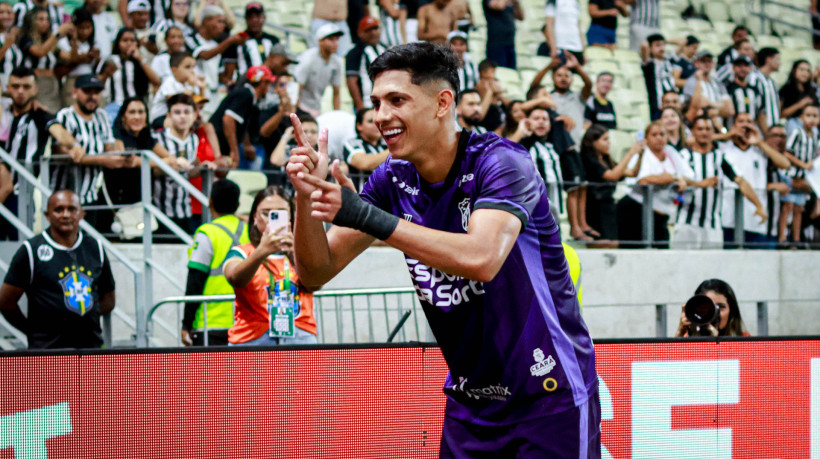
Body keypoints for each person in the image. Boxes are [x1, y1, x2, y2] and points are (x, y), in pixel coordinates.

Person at [287, 42, 599, 456]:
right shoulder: (391, 179)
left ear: (442, 102)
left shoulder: (502, 162)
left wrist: (365, 216)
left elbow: (481, 259)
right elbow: (314, 273)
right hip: (470, 404)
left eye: (397, 100)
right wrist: (305, 199)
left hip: (547, 395)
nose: (381, 116)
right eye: (377, 102)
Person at [0, 190, 115, 349]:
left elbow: (109, 299)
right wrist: (32, 330)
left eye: (71, 209)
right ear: (47, 215)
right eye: (58, 210)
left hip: (90, 349)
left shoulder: (96, 248)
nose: (65, 215)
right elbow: (5, 302)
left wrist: (80, 319)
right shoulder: (31, 250)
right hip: (47, 350)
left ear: (81, 214)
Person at [224, 186, 318, 346]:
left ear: (291, 217)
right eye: (266, 213)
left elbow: (315, 285)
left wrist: (294, 254)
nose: (271, 220)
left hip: (299, 336)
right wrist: (262, 251)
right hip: (251, 339)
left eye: (281, 213)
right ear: (254, 217)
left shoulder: (302, 252)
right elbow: (235, 278)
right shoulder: (241, 252)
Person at [2, 67, 85, 241]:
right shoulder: (5, 111)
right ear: (8, 88)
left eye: (26, 86)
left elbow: (59, 132)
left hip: (20, 192)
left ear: (35, 89)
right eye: (15, 86)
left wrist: (73, 145)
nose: (20, 92)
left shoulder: (40, 115)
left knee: (19, 245)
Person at [672, 116, 765, 250]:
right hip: (686, 222)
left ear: (712, 132)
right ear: (693, 131)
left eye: (708, 129)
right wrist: (700, 184)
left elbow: (741, 181)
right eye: (700, 129)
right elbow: (675, 180)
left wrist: (758, 205)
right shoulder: (684, 156)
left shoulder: (719, 157)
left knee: (713, 268)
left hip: (713, 225)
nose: (704, 133)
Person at [182, 179, 250, 346]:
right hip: (245, 322)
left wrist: (186, 324)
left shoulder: (207, 233)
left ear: (209, 201)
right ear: (238, 204)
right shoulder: (250, 231)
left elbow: (195, 281)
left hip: (210, 323)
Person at [52, 74, 120, 221]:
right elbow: (60, 151)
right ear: (75, 92)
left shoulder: (102, 116)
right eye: (87, 92)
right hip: (65, 193)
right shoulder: (65, 116)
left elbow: (110, 149)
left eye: (96, 92)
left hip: (91, 193)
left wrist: (116, 155)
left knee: (88, 238)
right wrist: (102, 159)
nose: (92, 96)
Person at [719, 112, 791, 249]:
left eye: (749, 122)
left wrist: (759, 142)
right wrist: (727, 135)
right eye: (741, 121)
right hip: (728, 219)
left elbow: (785, 164)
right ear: (733, 125)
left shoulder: (760, 151)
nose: (745, 125)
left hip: (756, 220)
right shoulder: (724, 149)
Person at [617, 121, 692, 248]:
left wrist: (679, 179)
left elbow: (689, 176)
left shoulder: (671, 153)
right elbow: (643, 180)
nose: (659, 138)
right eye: (654, 135)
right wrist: (671, 177)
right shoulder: (642, 154)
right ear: (646, 138)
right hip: (635, 211)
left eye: (662, 134)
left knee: (663, 253)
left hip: (661, 215)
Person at [108, 97, 171, 235]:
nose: (137, 117)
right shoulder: (116, 133)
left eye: (141, 112)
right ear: (123, 116)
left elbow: (171, 160)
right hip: (117, 203)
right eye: (132, 112)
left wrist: (140, 161)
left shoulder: (146, 137)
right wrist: (155, 162)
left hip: (141, 202)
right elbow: (123, 158)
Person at [581, 124, 642, 244]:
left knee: (613, 243)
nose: (608, 143)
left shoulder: (606, 159)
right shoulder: (589, 160)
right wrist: (630, 153)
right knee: (602, 243)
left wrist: (640, 154)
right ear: (593, 142)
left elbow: (632, 172)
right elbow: (612, 175)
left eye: (608, 139)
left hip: (609, 207)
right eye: (604, 139)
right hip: (595, 207)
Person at [153, 94, 201, 236]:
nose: (182, 117)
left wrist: (203, 168)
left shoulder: (194, 140)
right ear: (168, 116)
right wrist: (170, 164)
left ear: (194, 115)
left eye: (187, 112)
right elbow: (153, 171)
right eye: (177, 112)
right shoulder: (158, 138)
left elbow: (188, 172)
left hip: (185, 209)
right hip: (160, 210)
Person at [210, 65, 274, 170]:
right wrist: (234, 152)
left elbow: (240, 122)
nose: (269, 87)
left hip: (220, 144)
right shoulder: (245, 94)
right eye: (268, 83)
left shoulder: (248, 95)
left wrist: (247, 144)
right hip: (218, 145)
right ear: (263, 83)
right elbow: (228, 119)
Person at [186, 5, 247, 111]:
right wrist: (230, 41)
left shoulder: (216, 44)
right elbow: (205, 55)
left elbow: (218, 74)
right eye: (219, 21)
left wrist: (229, 81)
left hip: (214, 94)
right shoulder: (191, 38)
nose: (223, 26)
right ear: (207, 21)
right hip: (196, 92)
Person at [97, 27, 161, 120]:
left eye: (132, 40)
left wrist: (139, 58)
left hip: (136, 107)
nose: (129, 44)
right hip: (115, 106)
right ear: (118, 43)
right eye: (125, 40)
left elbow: (156, 81)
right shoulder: (110, 60)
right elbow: (97, 84)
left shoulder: (141, 61)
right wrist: (106, 74)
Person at [18, 7, 74, 113]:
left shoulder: (50, 41)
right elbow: (40, 52)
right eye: (41, 19)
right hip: (37, 83)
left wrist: (74, 38)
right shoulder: (26, 39)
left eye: (47, 19)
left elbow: (69, 57)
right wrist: (58, 33)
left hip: (53, 84)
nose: (45, 23)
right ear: (32, 21)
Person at [780, 104, 819, 247]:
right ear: (802, 118)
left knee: (799, 208)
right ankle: (782, 237)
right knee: (788, 206)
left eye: (815, 116)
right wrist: (803, 165)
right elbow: (787, 152)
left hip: (804, 176)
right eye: (808, 116)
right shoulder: (797, 132)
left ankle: (796, 239)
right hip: (791, 174)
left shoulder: (815, 135)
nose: (811, 119)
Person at [221, 3, 280, 82]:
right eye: (250, 17)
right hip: (245, 84)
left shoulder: (273, 40)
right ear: (245, 19)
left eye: (258, 16)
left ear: (264, 18)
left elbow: (279, 67)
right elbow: (228, 74)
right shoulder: (237, 41)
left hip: (269, 84)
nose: (254, 20)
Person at [294, 24, 344, 117]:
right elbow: (297, 87)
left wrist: (337, 115)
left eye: (337, 39)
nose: (335, 43)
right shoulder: (308, 58)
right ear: (320, 41)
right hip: (301, 107)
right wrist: (296, 111)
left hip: (316, 108)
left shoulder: (336, 62)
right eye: (331, 39)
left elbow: (336, 92)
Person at [674, 279, 749, 337]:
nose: (713, 313)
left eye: (720, 307)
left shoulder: (747, 342)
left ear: (731, 311)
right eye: (706, 307)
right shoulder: (686, 341)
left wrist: (717, 342)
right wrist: (679, 333)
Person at [56, 8, 99, 108]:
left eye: (88, 28)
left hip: (89, 81)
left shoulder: (94, 43)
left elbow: (95, 57)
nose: (85, 32)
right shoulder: (63, 43)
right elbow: (73, 58)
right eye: (81, 28)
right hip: (72, 82)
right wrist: (74, 41)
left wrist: (85, 57)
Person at [149, 51, 205, 126]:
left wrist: (202, 88)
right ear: (174, 70)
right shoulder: (170, 81)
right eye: (187, 67)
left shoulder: (187, 84)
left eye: (193, 67)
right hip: (160, 118)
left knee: (205, 125)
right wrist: (191, 89)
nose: (192, 71)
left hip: (179, 116)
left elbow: (199, 106)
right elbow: (175, 102)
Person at [346, 16, 387, 112]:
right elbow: (352, 81)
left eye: (375, 29)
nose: (373, 33)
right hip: (367, 103)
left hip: (385, 102)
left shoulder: (384, 49)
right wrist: (360, 106)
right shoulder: (355, 53)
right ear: (360, 33)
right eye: (368, 30)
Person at [343, 108, 388, 190]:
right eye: (371, 121)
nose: (376, 124)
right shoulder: (353, 143)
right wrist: (395, 150)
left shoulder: (385, 145)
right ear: (359, 126)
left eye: (378, 121)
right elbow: (364, 163)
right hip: (362, 199)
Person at [763, 124, 791, 244]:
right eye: (775, 135)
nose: (779, 139)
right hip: (760, 227)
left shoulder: (788, 158)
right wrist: (772, 186)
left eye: (783, 136)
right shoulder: (760, 157)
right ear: (766, 138)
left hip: (778, 228)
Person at [641, 34, 677, 121]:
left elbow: (684, 42)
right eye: (657, 45)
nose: (661, 48)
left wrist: (665, 40)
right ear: (650, 48)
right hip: (657, 105)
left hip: (673, 104)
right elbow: (644, 45)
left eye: (663, 45)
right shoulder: (649, 63)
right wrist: (654, 42)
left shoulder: (668, 60)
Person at [779, 60, 819, 135]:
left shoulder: (812, 90)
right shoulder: (786, 90)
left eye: (808, 70)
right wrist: (799, 105)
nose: (805, 73)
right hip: (794, 127)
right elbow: (781, 114)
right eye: (801, 70)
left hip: (812, 128)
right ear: (794, 71)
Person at [482, 0, 523, 69]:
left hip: (510, 43)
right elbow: (499, 6)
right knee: (499, 71)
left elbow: (520, 16)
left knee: (511, 72)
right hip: (496, 44)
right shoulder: (489, 1)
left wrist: (516, 3)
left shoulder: (508, 3)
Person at [724, 56, 762, 127]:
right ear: (734, 68)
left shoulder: (754, 90)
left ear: (750, 68)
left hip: (751, 130)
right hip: (732, 130)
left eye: (745, 66)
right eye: (739, 66)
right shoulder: (727, 88)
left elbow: (760, 113)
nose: (743, 69)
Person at [544, 0, 584, 64]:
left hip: (577, 47)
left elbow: (578, 26)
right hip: (561, 45)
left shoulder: (576, 2)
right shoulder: (553, 2)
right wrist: (553, 48)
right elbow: (549, 25)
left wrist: (583, 49)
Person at [754, 47, 782, 135]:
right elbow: (758, 109)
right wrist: (766, 133)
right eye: (777, 59)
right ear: (768, 60)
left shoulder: (771, 82)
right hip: (761, 132)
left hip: (773, 130)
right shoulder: (755, 79)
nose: (780, 63)